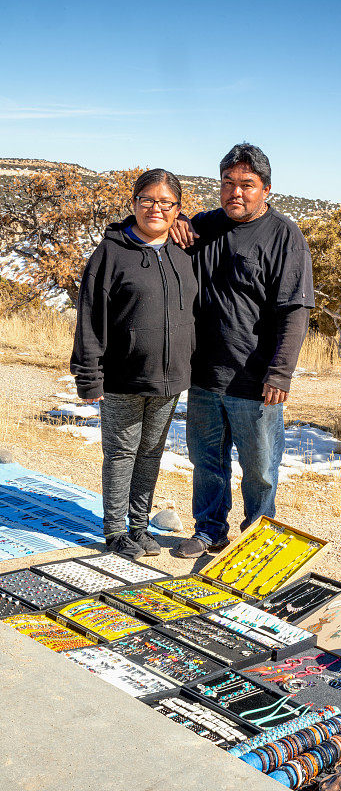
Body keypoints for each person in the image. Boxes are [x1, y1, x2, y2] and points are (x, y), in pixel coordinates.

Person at [175, 143, 314, 559]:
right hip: (203, 376)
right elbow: (149, 226)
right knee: (207, 464)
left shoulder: (284, 235)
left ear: (266, 189)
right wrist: (177, 221)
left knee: (259, 471)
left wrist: (281, 373)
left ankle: (256, 539)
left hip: (255, 380)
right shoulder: (203, 227)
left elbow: (295, 309)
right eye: (228, 183)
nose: (236, 192)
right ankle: (210, 531)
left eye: (247, 185)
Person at [71, 169, 197, 559]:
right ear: (133, 203)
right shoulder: (110, 253)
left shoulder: (185, 250)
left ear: (178, 209)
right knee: (122, 452)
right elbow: (91, 317)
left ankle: (140, 528)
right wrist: (90, 378)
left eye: (165, 202)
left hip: (171, 378)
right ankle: (114, 532)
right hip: (124, 376)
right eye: (147, 200)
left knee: (151, 453)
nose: (155, 208)